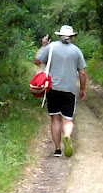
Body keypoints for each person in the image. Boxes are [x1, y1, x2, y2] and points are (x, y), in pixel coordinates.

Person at [34, 25, 87, 157]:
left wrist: (43, 45)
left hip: (53, 88)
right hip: (69, 90)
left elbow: (37, 61)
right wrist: (83, 89)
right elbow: (82, 72)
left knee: (55, 119)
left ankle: (57, 149)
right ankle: (67, 135)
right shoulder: (76, 51)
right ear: (72, 37)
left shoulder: (50, 47)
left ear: (59, 36)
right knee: (67, 120)